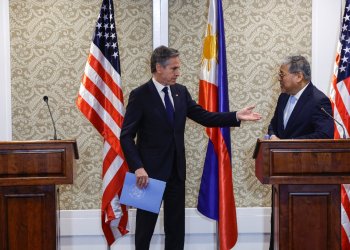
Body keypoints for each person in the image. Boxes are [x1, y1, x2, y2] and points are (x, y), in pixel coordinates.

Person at [120, 45, 261, 250]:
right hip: (147, 176)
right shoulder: (140, 95)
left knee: (176, 229)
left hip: (177, 172)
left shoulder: (180, 92)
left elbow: (204, 116)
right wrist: (138, 167)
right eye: (174, 68)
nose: (178, 73)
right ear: (159, 67)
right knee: (144, 229)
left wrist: (235, 116)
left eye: (178, 68)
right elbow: (126, 136)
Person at [267, 55, 334, 249]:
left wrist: (285, 145)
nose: (279, 78)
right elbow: (273, 126)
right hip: (282, 177)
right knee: (280, 230)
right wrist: (272, 138)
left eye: (282, 74)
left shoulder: (319, 100)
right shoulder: (283, 97)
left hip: (307, 182)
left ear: (298, 76)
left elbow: (323, 136)